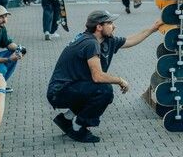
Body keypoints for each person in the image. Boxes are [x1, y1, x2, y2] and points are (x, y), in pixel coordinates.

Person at [46, 11, 162, 143]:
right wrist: (120, 80)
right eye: (110, 23)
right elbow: (98, 76)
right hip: (59, 92)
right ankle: (78, 128)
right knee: (104, 91)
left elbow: (130, 40)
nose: (114, 26)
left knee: (97, 90)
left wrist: (154, 28)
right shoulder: (89, 43)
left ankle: (66, 119)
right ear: (99, 27)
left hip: (74, 86)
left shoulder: (105, 40)